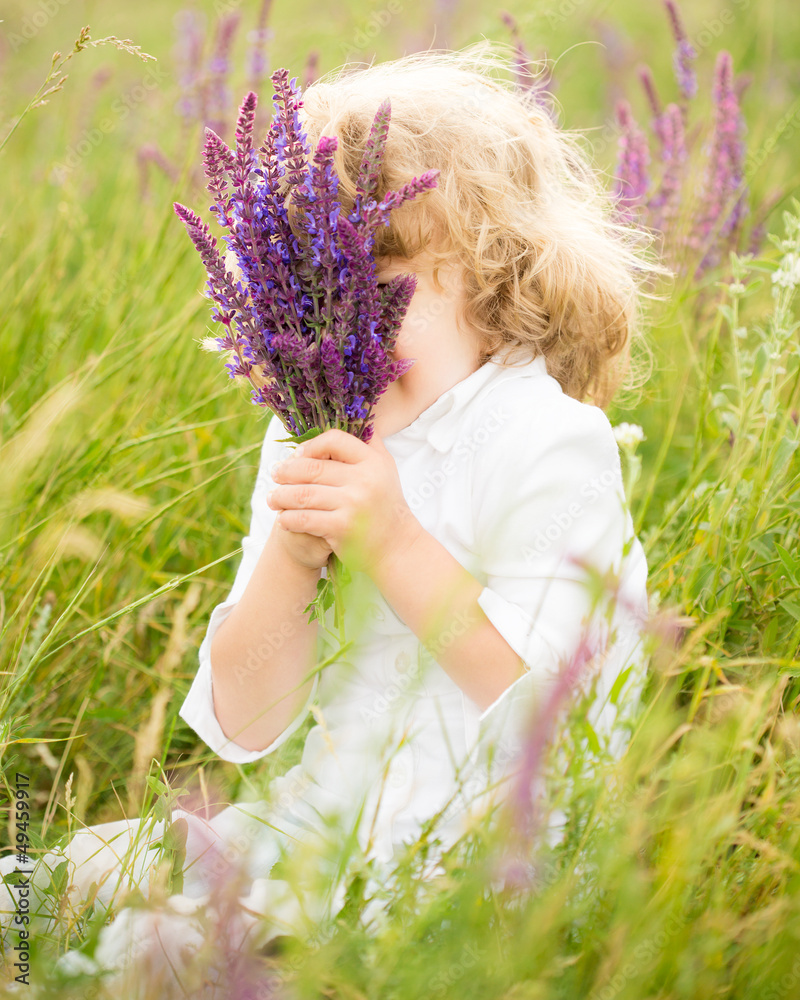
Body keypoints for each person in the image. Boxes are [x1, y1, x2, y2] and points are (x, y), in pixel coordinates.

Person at [0, 41, 657, 995]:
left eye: (374, 280)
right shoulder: (308, 434)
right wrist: (292, 560)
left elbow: (550, 709)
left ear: (491, 270)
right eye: (301, 288)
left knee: (150, 963)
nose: (333, 323)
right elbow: (246, 723)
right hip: (311, 830)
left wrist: (390, 540)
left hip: (473, 863)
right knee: (44, 889)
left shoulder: (548, 442)